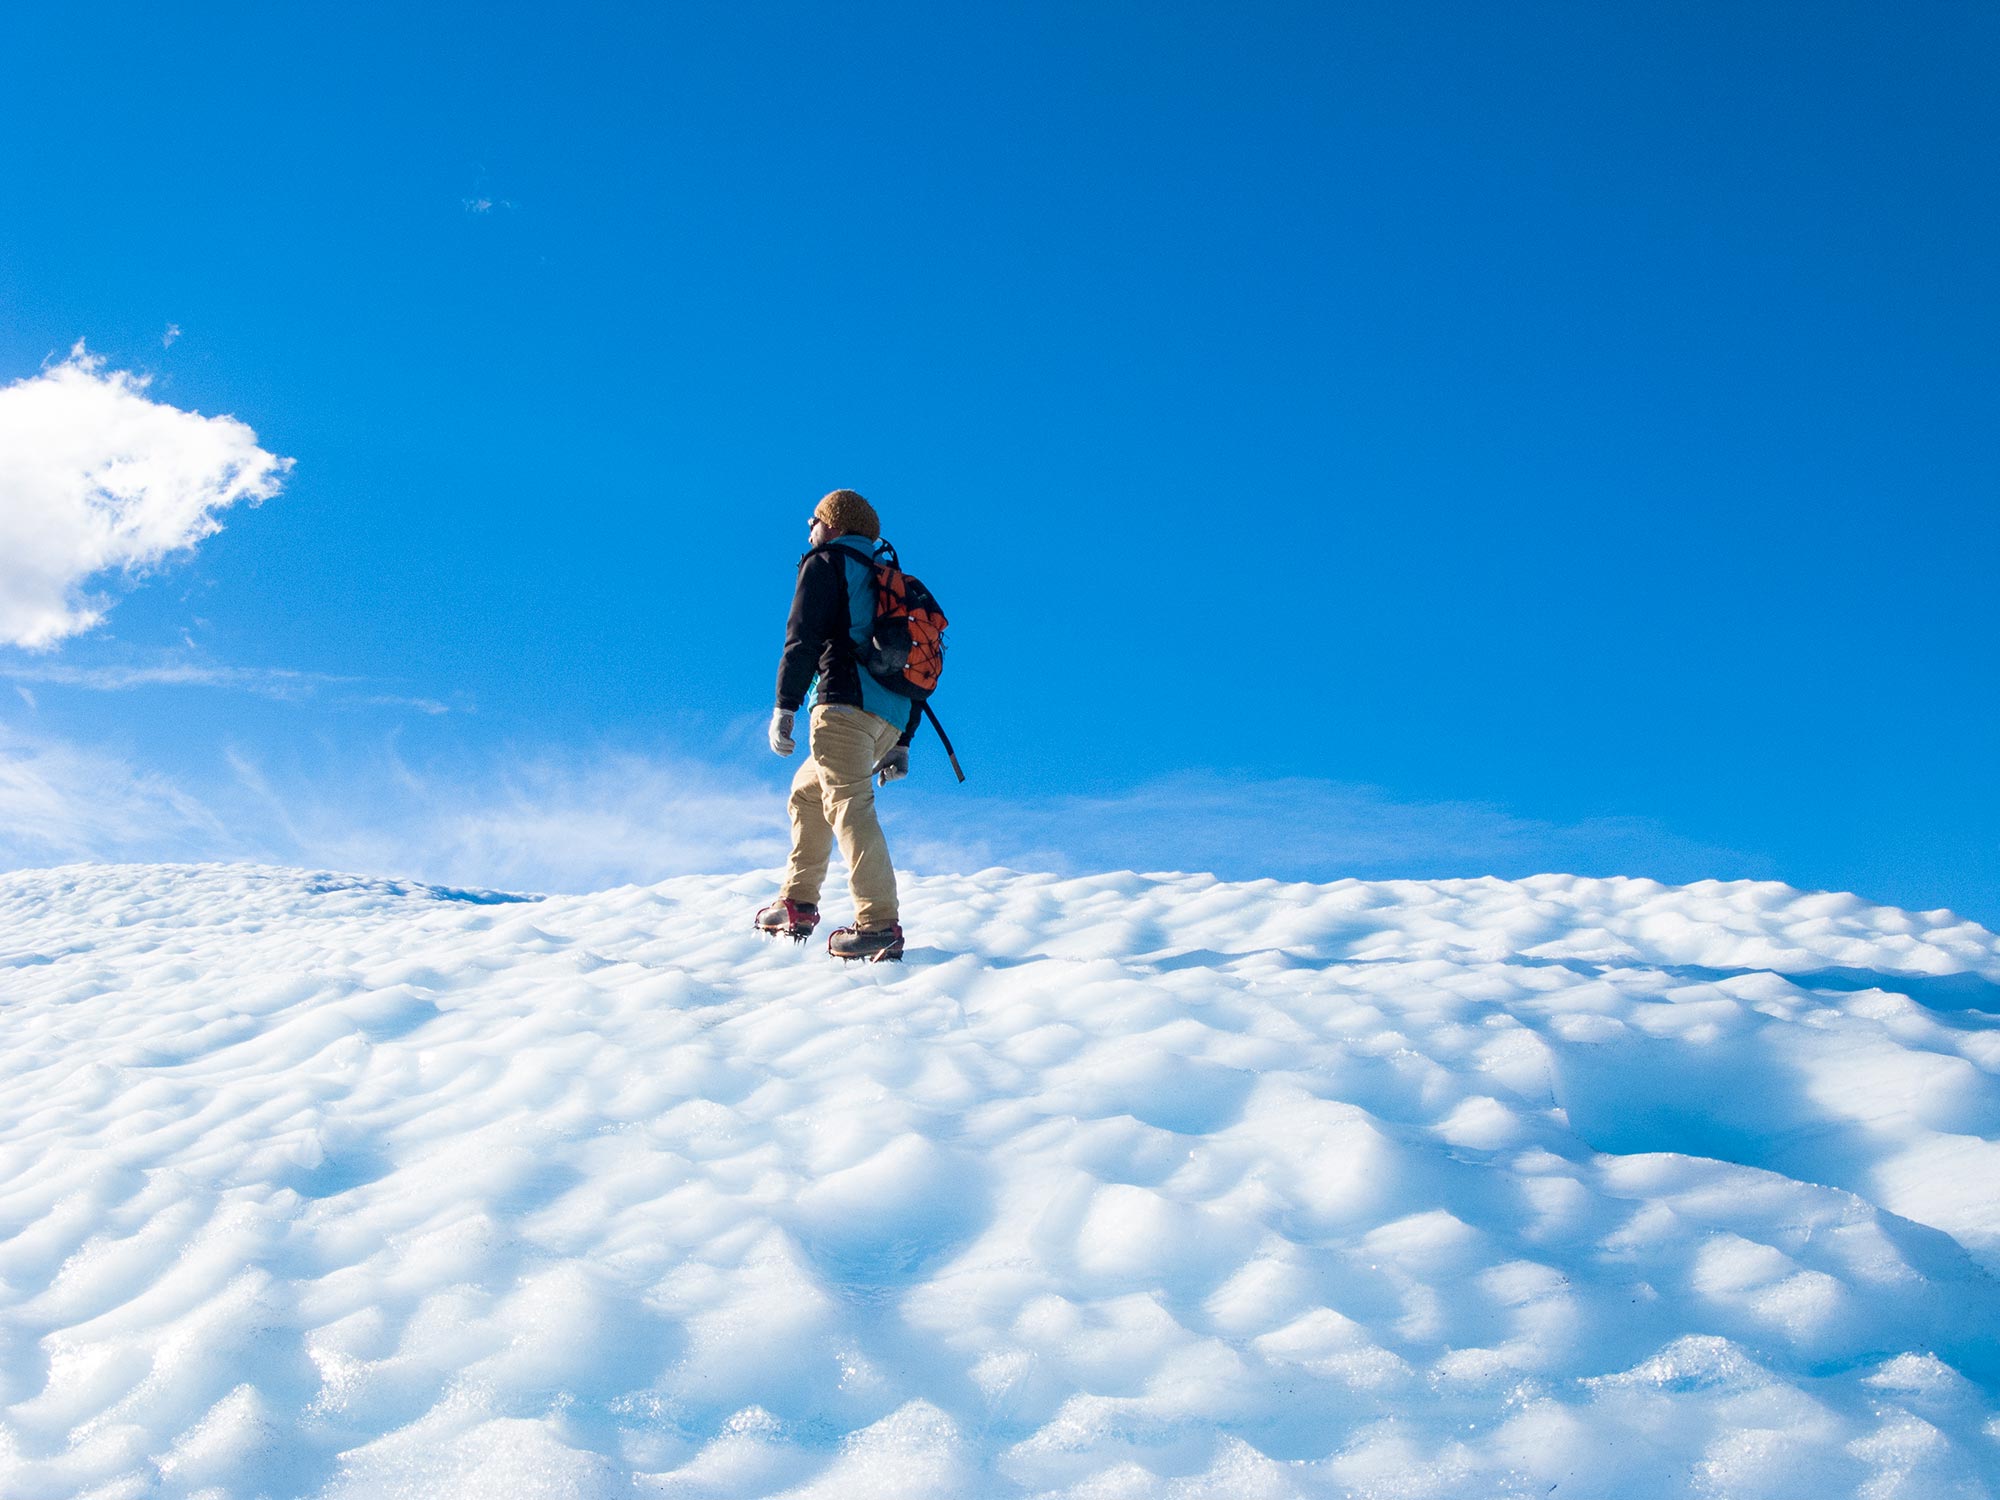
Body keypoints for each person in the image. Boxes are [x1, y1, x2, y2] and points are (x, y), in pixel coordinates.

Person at [754, 489, 919, 961]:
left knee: (848, 804)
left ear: (834, 523)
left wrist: (784, 707)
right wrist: (902, 741)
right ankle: (798, 902)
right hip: (887, 720)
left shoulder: (827, 561)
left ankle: (878, 922)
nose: (809, 529)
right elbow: (915, 666)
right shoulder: (888, 578)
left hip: (842, 707)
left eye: (814, 519)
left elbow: (801, 637)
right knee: (808, 793)